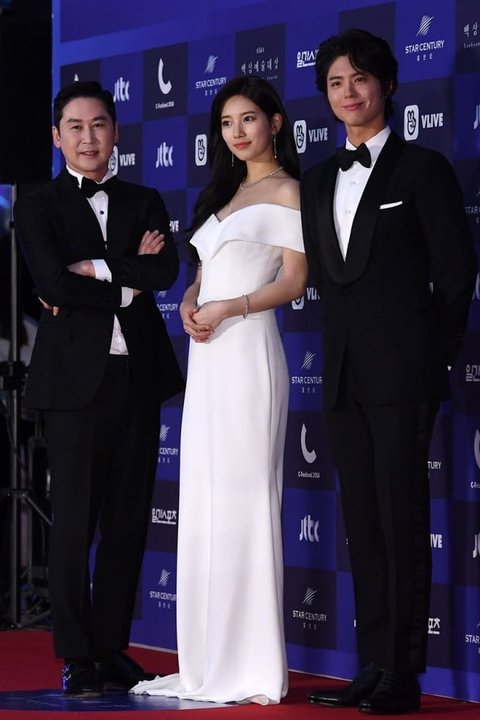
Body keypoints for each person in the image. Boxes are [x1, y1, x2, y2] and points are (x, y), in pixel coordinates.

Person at [300, 28, 476, 715]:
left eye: (360, 79)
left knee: (402, 520)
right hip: (342, 375)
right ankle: (371, 665)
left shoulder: (423, 170)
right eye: (336, 82)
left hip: (404, 375)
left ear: (388, 85)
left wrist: (431, 357)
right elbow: (314, 274)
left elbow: (456, 276)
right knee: (363, 525)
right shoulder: (318, 179)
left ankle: (403, 673)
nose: (349, 92)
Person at [131, 75, 307, 705]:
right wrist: (188, 300)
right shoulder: (223, 192)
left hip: (249, 350)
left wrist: (231, 307)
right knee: (207, 501)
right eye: (227, 123)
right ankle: (207, 660)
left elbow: (294, 279)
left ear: (275, 123)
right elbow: (203, 274)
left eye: (248, 119)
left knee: (246, 500)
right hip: (207, 358)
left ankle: (250, 663)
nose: (237, 132)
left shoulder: (289, 191)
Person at [13, 80, 184, 698]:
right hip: (72, 387)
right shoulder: (39, 204)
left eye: (100, 125)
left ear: (115, 131)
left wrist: (97, 268)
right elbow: (54, 284)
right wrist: (127, 283)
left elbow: (165, 270)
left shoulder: (144, 199)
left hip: (137, 379)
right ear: (57, 137)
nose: (89, 138)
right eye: (76, 127)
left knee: (128, 522)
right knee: (74, 523)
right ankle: (76, 656)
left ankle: (110, 648)